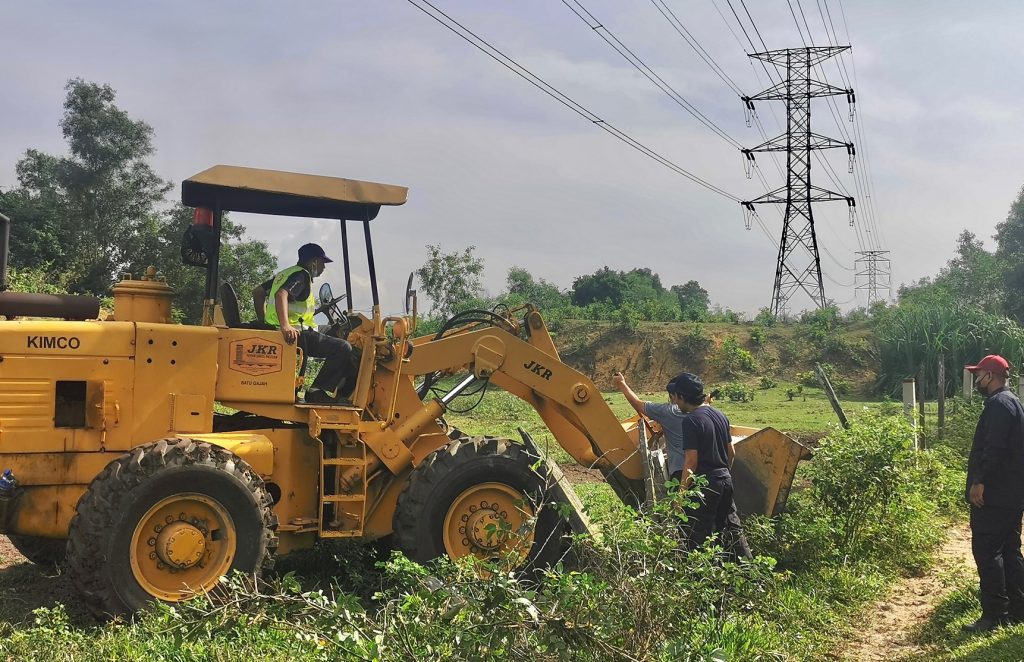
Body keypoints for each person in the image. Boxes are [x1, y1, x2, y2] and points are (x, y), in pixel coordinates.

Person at [614, 371, 751, 560]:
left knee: (695, 534)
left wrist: (680, 496)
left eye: (675, 398)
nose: (675, 403)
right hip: (724, 479)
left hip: (701, 483)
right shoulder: (720, 415)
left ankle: (700, 573)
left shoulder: (691, 420)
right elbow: (731, 452)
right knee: (731, 528)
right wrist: (723, 475)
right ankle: (747, 569)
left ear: (679, 396)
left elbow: (691, 461)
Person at [962, 354, 1024, 633]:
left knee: (987, 552)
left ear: (990, 375)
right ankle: (1017, 609)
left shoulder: (998, 405)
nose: (977, 379)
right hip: (1011, 494)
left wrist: (979, 481)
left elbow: (994, 448)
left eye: (979, 374)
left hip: (995, 495)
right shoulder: (1012, 402)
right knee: (1010, 551)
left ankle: (993, 614)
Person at [252, 243, 355, 405]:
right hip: (295, 333)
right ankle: (317, 391)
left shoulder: (285, 274)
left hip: (289, 328)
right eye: (322, 263)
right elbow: (281, 294)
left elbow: (257, 292)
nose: (323, 267)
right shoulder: (302, 276)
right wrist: (285, 326)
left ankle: (340, 390)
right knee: (343, 347)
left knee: (336, 332)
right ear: (314, 262)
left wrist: (263, 322)